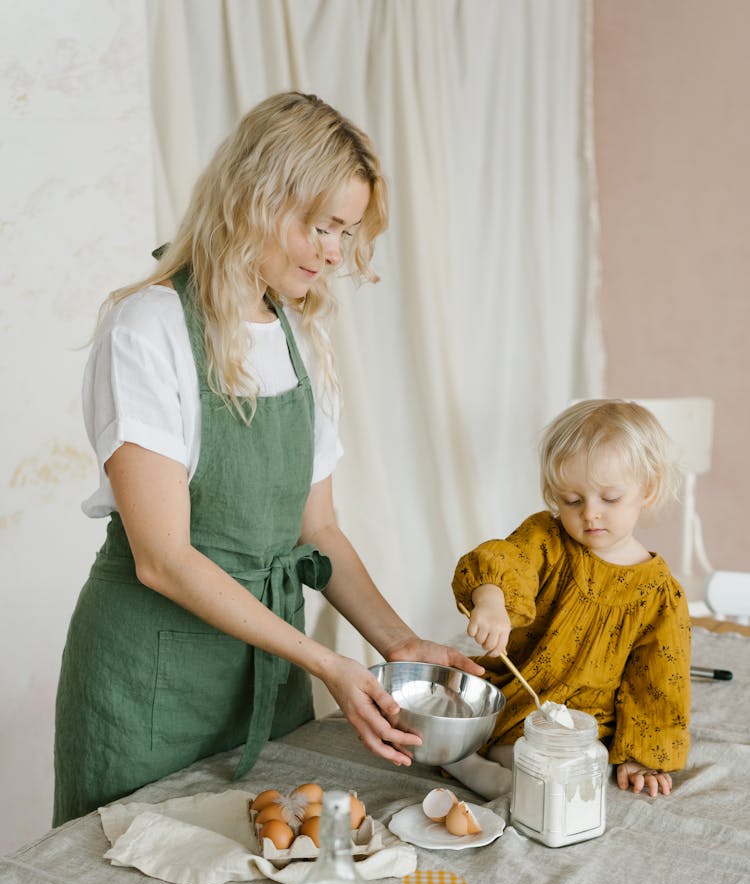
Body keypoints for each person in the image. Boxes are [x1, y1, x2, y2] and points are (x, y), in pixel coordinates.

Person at [53, 91, 481, 826]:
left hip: (265, 681)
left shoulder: (300, 339)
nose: (334, 253)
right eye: (321, 226)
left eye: (346, 233)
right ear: (256, 199)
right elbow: (163, 558)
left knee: (272, 872)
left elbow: (316, 530)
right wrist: (327, 662)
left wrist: (397, 643)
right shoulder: (148, 330)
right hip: (148, 688)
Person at [449, 399, 690, 800]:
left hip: (584, 716)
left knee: (575, 764)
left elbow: (659, 680)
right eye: (572, 501)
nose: (590, 514)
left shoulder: (659, 593)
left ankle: (479, 765)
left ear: (646, 491)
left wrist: (642, 756)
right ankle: (468, 763)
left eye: (609, 498)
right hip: (519, 688)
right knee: (451, 710)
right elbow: (508, 561)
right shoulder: (548, 539)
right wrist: (491, 599)